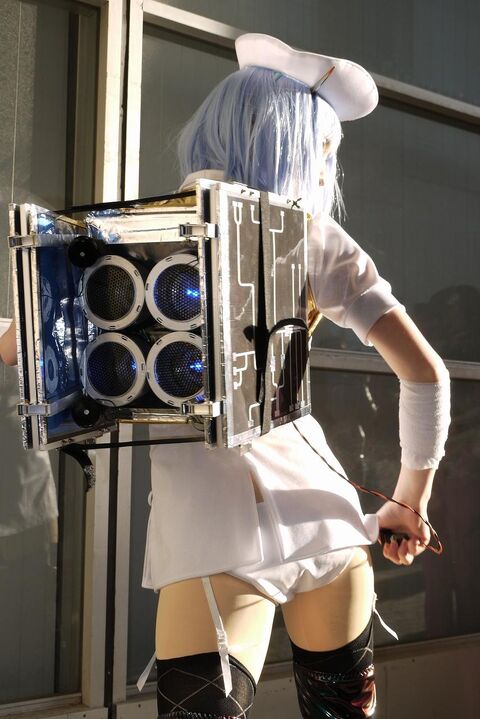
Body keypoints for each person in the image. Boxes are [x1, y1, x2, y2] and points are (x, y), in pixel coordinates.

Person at [145, 34, 450, 719]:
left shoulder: (133, 236)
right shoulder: (311, 236)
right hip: (326, 522)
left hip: (210, 535)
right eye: (325, 151)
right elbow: (428, 376)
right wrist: (409, 501)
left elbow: (26, 346)